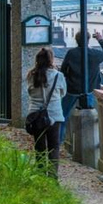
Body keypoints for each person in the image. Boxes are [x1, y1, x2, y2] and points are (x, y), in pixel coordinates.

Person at [59, 30, 103, 145]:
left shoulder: (71, 53)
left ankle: (59, 141)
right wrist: (100, 39)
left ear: (76, 40)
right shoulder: (95, 54)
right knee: (93, 117)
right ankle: (92, 143)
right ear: (88, 40)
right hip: (90, 90)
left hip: (72, 89)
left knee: (62, 115)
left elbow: (63, 70)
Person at [26, 47, 66, 178]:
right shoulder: (58, 76)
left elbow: (29, 92)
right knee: (54, 147)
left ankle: (41, 176)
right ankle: (53, 177)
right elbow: (63, 93)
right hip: (54, 115)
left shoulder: (31, 75)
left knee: (40, 147)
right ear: (51, 60)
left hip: (35, 116)